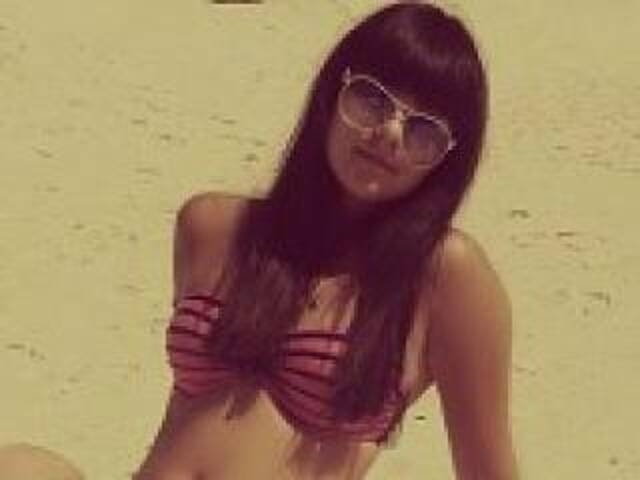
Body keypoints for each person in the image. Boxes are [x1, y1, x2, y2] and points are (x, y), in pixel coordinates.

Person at [136, 1, 519, 479]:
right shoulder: (212, 226)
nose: (390, 133)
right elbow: (182, 414)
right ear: (330, 94)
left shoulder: (444, 275)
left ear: (446, 160)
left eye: (424, 131)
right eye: (372, 99)